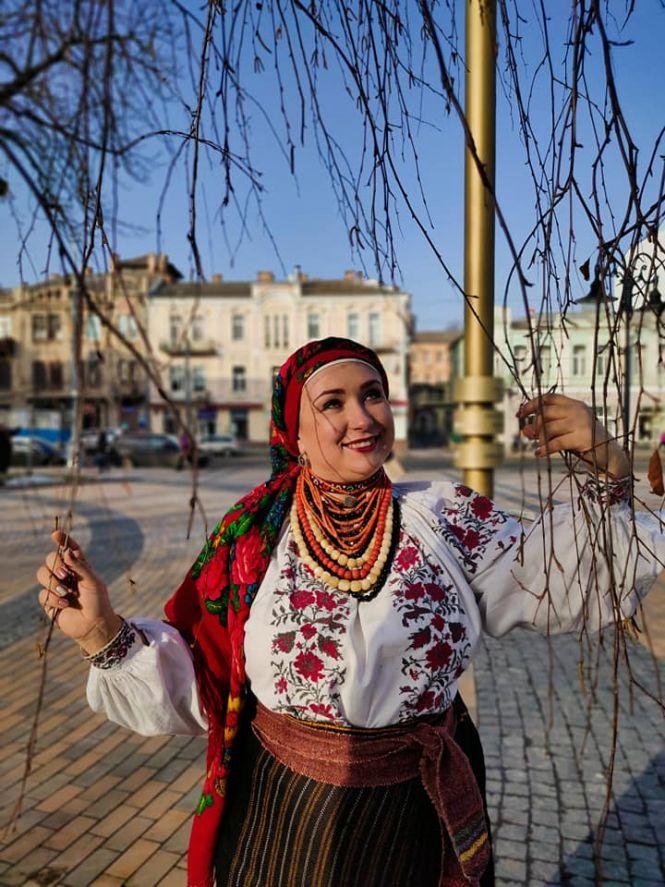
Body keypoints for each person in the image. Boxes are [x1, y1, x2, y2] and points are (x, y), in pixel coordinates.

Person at [37, 337, 664, 887]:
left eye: (372, 394)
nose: (361, 417)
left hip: (415, 812)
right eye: (331, 403)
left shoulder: (442, 515)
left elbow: (565, 576)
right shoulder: (254, 536)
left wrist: (604, 461)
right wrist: (101, 632)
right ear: (294, 431)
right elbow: (203, 679)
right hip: (284, 816)